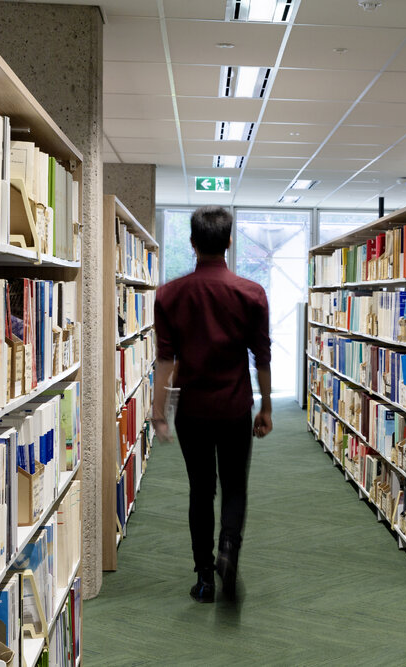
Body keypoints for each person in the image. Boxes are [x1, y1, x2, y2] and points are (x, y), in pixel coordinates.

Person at [151, 205, 272, 603]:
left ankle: (204, 578)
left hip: (194, 413)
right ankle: (228, 549)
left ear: (191, 243)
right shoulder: (251, 294)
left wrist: (158, 412)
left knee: (200, 491)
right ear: (230, 241)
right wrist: (266, 407)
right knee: (235, 486)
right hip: (235, 408)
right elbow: (262, 357)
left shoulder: (169, 295)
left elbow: (166, 359)